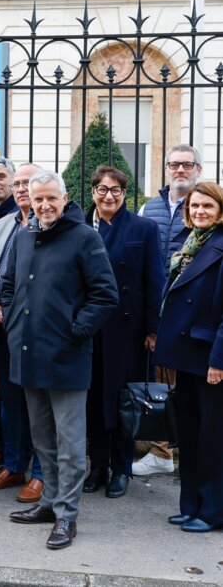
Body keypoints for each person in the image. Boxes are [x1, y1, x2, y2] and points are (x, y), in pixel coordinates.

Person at [2, 170, 118, 550]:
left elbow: (105, 295)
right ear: (31, 202)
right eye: (38, 200)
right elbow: (8, 286)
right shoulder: (23, 236)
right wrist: (14, 322)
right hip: (28, 353)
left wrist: (76, 331)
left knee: (70, 443)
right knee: (42, 439)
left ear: (65, 199)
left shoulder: (85, 236)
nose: (45, 205)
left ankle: (67, 514)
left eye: (52, 198)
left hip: (67, 356)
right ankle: (50, 503)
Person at [83, 166, 165, 499]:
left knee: (122, 399)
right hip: (88, 328)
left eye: (115, 190)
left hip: (126, 329)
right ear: (92, 192)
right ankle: (97, 466)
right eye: (102, 189)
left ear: (124, 193)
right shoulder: (79, 227)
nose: (108, 196)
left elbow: (155, 280)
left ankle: (121, 469)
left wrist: (152, 329)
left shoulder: (143, 228)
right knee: (91, 399)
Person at [153, 181, 223, 533]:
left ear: (220, 210)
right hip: (186, 354)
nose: (199, 212)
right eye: (194, 206)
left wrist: (219, 361)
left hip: (209, 358)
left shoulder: (221, 247)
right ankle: (191, 504)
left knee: (212, 438)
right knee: (190, 435)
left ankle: (213, 511)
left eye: (207, 206)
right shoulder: (191, 244)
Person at [133, 144, 202, 477]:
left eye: (187, 165)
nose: (180, 171)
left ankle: (190, 449)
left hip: (192, 306)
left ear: (197, 170)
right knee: (160, 377)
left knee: (189, 381)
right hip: (157, 304)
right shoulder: (151, 208)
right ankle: (162, 452)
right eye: (174, 164)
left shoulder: (204, 206)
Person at [0, 163, 44, 503]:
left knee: (39, 402)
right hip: (2, 325)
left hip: (35, 329)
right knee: (9, 399)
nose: (20, 188)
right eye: (17, 183)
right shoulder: (3, 223)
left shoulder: (50, 224)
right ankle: (14, 464)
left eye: (27, 183)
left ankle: (41, 475)